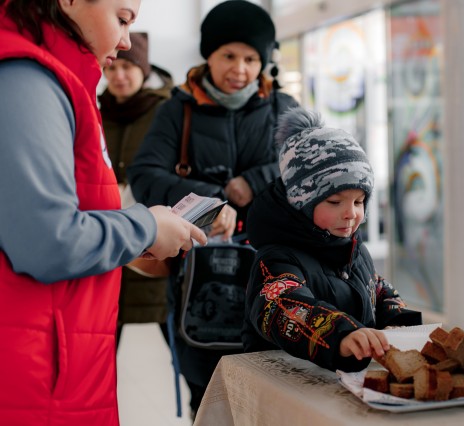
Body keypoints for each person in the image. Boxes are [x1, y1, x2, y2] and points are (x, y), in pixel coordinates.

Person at [0, 1, 207, 425]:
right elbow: (46, 240)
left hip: (56, 357)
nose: (127, 40)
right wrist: (146, 226)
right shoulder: (28, 78)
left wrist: (128, 240)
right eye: (123, 18)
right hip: (34, 372)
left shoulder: (59, 80)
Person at [127, 0, 298, 417]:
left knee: (273, 396)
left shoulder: (284, 108)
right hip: (200, 278)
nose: (240, 67)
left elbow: (309, 170)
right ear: (209, 54)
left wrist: (251, 183)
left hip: (273, 274)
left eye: (251, 57)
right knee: (208, 398)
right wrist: (213, 196)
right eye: (229, 55)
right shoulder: (177, 110)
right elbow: (145, 175)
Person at [241, 106, 423, 373]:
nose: (350, 214)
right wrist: (341, 335)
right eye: (335, 201)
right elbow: (284, 306)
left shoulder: (353, 249)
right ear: (301, 201)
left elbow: (378, 288)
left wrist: (398, 322)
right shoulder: (276, 258)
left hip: (344, 381)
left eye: (359, 202)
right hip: (288, 386)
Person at [99, 32, 174, 348]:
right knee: (101, 343)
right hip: (104, 236)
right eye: (111, 68)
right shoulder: (94, 107)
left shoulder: (164, 111)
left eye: (127, 67)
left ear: (143, 69)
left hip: (153, 236)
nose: (118, 76)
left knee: (171, 336)